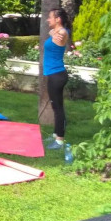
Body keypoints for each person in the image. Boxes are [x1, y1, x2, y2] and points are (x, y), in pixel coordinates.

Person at [43, 8, 70, 150]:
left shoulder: (62, 32)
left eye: (50, 17)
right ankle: (55, 134)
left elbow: (63, 34)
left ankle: (60, 140)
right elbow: (52, 34)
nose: (48, 19)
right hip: (53, 74)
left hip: (57, 75)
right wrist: (52, 33)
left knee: (58, 108)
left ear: (58, 19)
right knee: (55, 106)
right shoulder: (55, 32)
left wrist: (53, 33)